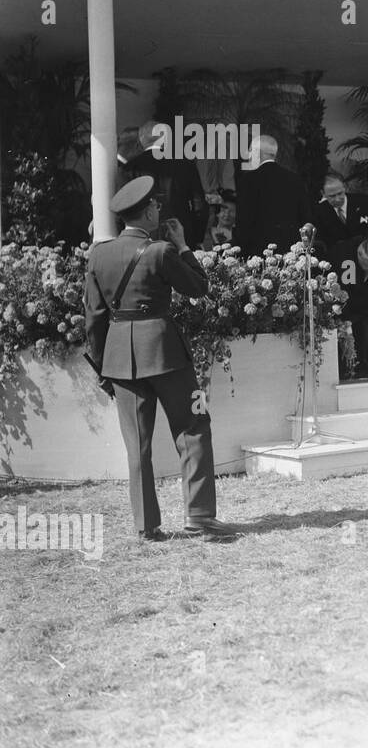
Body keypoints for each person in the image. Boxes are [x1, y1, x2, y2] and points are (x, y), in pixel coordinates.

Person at [82, 176, 234, 543]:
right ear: (148, 210)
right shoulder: (161, 251)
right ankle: (198, 516)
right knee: (193, 428)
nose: (159, 210)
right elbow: (199, 288)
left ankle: (146, 526)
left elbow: (94, 318)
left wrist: (103, 367)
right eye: (156, 206)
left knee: (138, 444)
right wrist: (182, 245)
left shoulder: (98, 254)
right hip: (165, 353)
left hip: (120, 356)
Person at [233, 135, 312, 256]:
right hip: (291, 252)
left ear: (257, 153)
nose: (248, 156)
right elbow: (305, 217)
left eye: (250, 151)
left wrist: (240, 250)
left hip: (259, 252)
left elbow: (244, 222)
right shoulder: (295, 179)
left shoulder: (248, 180)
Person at [329, 235, 368, 374]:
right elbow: (350, 296)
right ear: (360, 257)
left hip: (362, 298)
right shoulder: (346, 261)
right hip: (344, 302)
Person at [313, 171, 368, 253]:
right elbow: (323, 241)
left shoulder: (365, 201)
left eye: (340, 193)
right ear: (323, 193)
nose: (337, 199)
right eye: (332, 196)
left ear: (344, 187)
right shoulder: (319, 211)